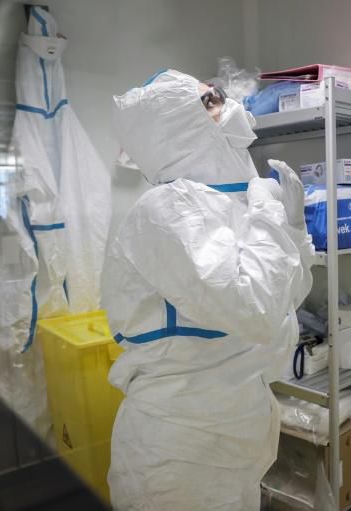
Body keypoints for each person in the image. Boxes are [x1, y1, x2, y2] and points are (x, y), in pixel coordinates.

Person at [104, 70, 314, 510]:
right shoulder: (167, 210)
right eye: (212, 100)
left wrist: (293, 231)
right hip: (180, 447)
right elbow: (252, 308)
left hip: (235, 434)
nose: (231, 105)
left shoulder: (225, 206)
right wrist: (268, 216)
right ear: (176, 126)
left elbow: (283, 301)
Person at [0, 7, 111, 438]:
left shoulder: (57, 133)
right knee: (51, 395)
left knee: (68, 399)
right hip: (54, 289)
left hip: (72, 290)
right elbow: (17, 244)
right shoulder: (33, 137)